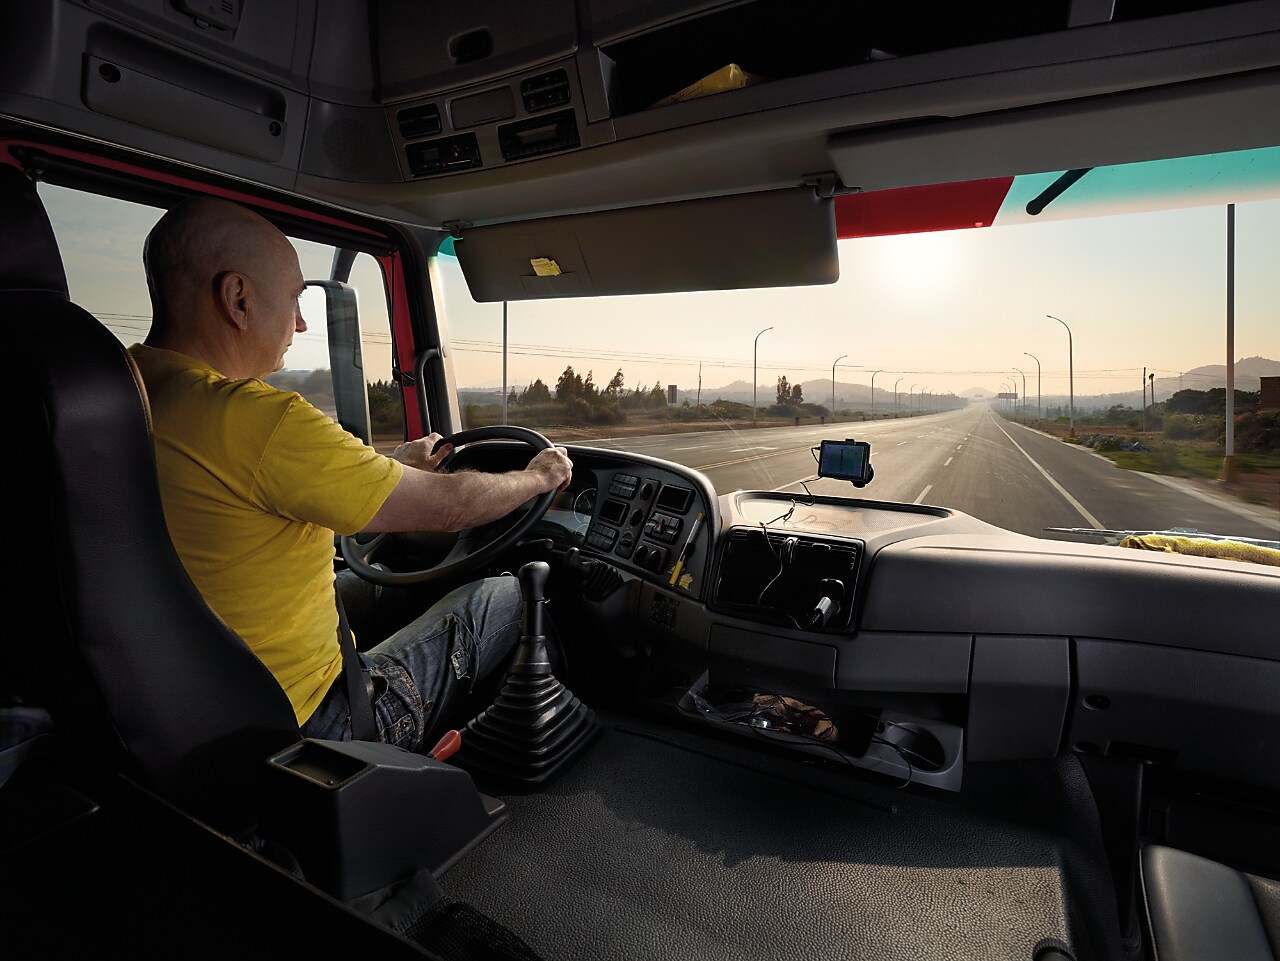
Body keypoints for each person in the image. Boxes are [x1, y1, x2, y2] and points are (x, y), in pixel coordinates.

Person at [128, 196, 573, 751]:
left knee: (372, 575)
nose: (301, 320)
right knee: (505, 597)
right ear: (237, 298)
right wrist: (536, 477)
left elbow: (260, 494)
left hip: (179, 707)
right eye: (293, 298)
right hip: (312, 726)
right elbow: (450, 507)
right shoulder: (258, 417)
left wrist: (389, 470)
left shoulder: (129, 389)